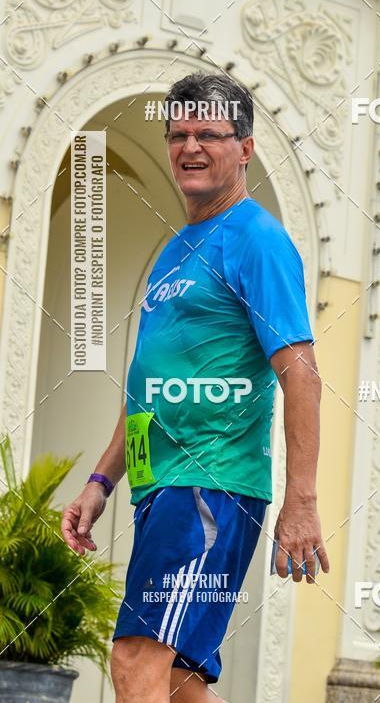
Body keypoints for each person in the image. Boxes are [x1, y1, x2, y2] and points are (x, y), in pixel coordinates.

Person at [61, 72, 329, 703]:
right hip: (162, 487)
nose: (190, 147)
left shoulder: (257, 240)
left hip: (208, 487)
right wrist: (102, 481)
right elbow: (148, 389)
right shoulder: (177, 249)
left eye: (208, 133)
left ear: (245, 148)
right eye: (178, 134)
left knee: (134, 656)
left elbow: (302, 375)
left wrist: (302, 501)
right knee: (179, 681)